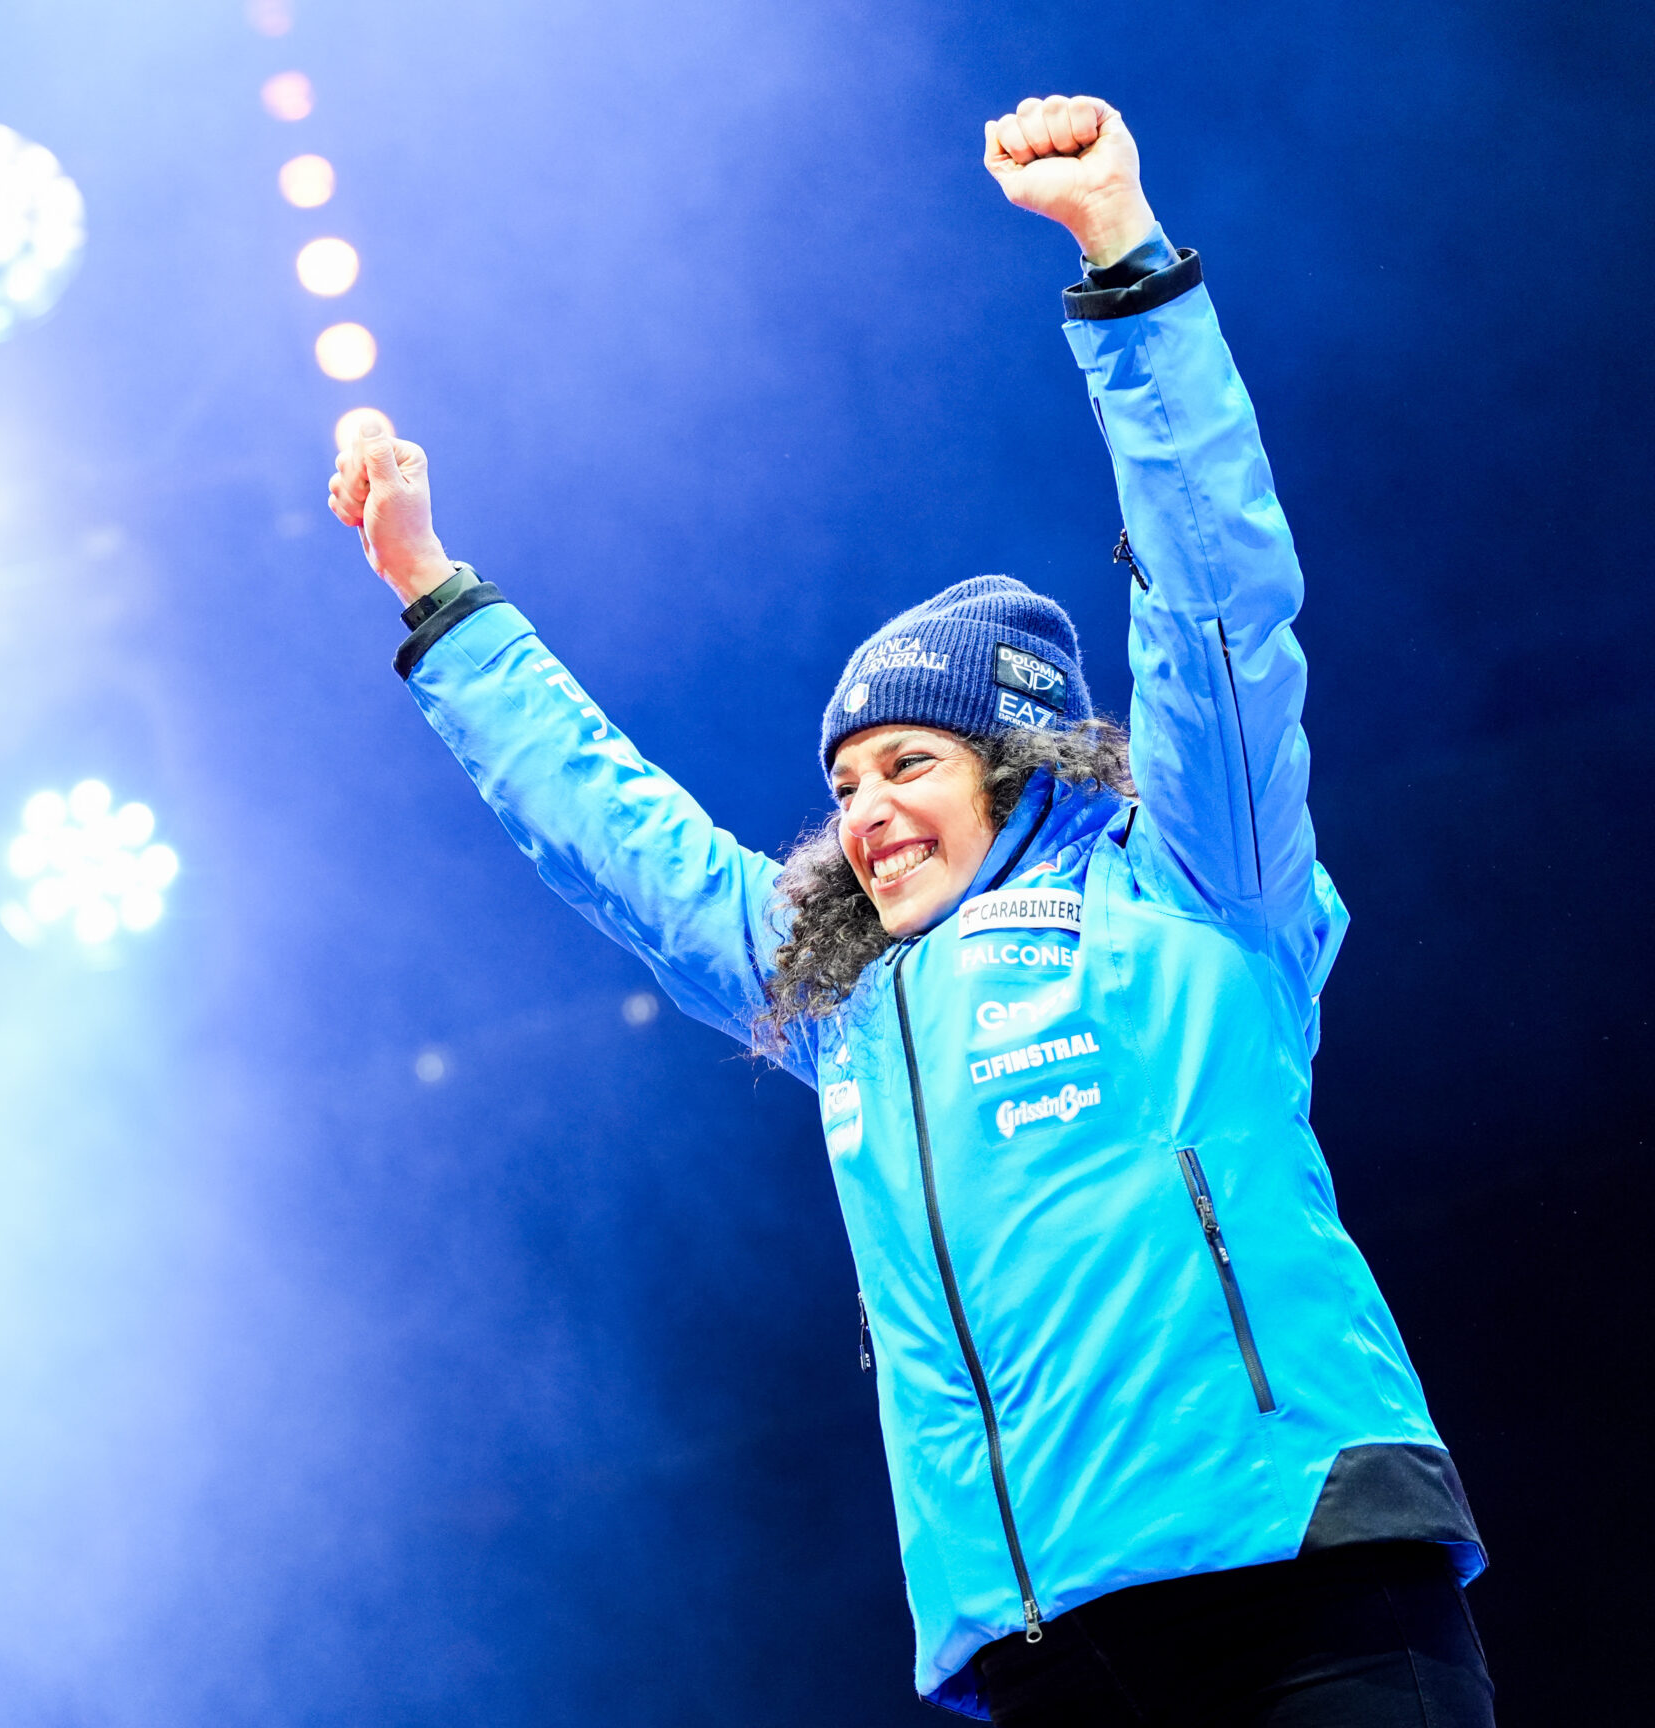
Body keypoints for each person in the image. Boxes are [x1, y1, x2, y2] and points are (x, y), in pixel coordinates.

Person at [326, 94, 1493, 1724]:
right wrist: (433, 592)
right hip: (1052, 1649)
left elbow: (1218, 597)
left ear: (1018, 763)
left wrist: (1125, 264)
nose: (864, 811)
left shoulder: (1193, 884)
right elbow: (620, 837)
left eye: (907, 763)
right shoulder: (852, 1006)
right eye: (843, 780)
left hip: (1300, 1583)